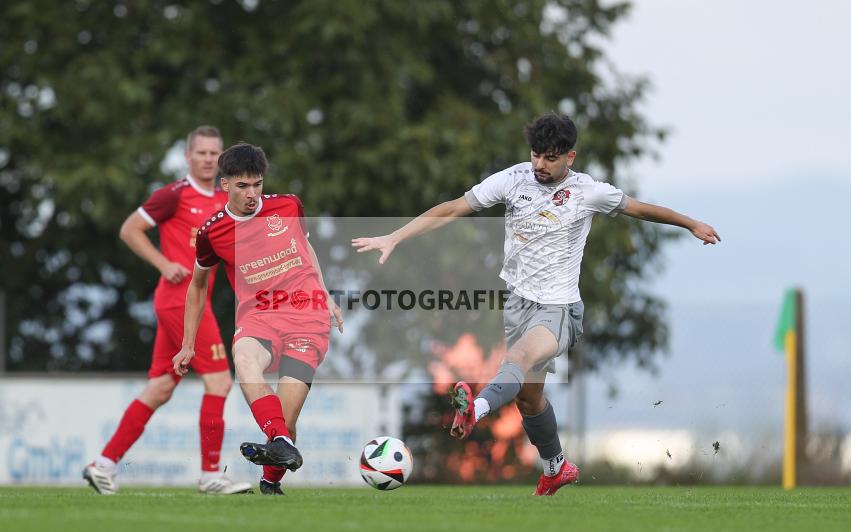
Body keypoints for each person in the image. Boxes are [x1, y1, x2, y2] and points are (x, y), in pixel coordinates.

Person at [352, 113, 720, 496]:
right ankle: (555, 467)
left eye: (550, 158)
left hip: (558, 310)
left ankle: (474, 409)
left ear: (570, 157)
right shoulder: (512, 180)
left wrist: (690, 223)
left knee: (518, 360)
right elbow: (452, 209)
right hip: (518, 306)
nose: (540, 165)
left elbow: (640, 208)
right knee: (528, 398)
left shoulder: (588, 192)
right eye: (536, 155)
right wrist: (395, 236)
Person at [83, 126, 252, 495]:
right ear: (188, 157)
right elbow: (130, 230)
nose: (208, 159)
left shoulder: (227, 201)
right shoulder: (174, 195)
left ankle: (103, 464)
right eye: (202, 153)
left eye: (214, 153)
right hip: (179, 301)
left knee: (160, 388)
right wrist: (162, 264)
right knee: (220, 381)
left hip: (191, 302)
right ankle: (210, 474)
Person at [172, 142, 343, 496]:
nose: (252, 194)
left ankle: (270, 479)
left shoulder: (289, 205)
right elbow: (197, 285)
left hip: (306, 316)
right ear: (225, 185)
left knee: (286, 417)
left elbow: (306, 247)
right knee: (245, 358)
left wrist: (326, 295)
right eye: (242, 186)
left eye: (257, 184)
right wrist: (188, 344)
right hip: (259, 316)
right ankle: (279, 440)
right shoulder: (212, 232)